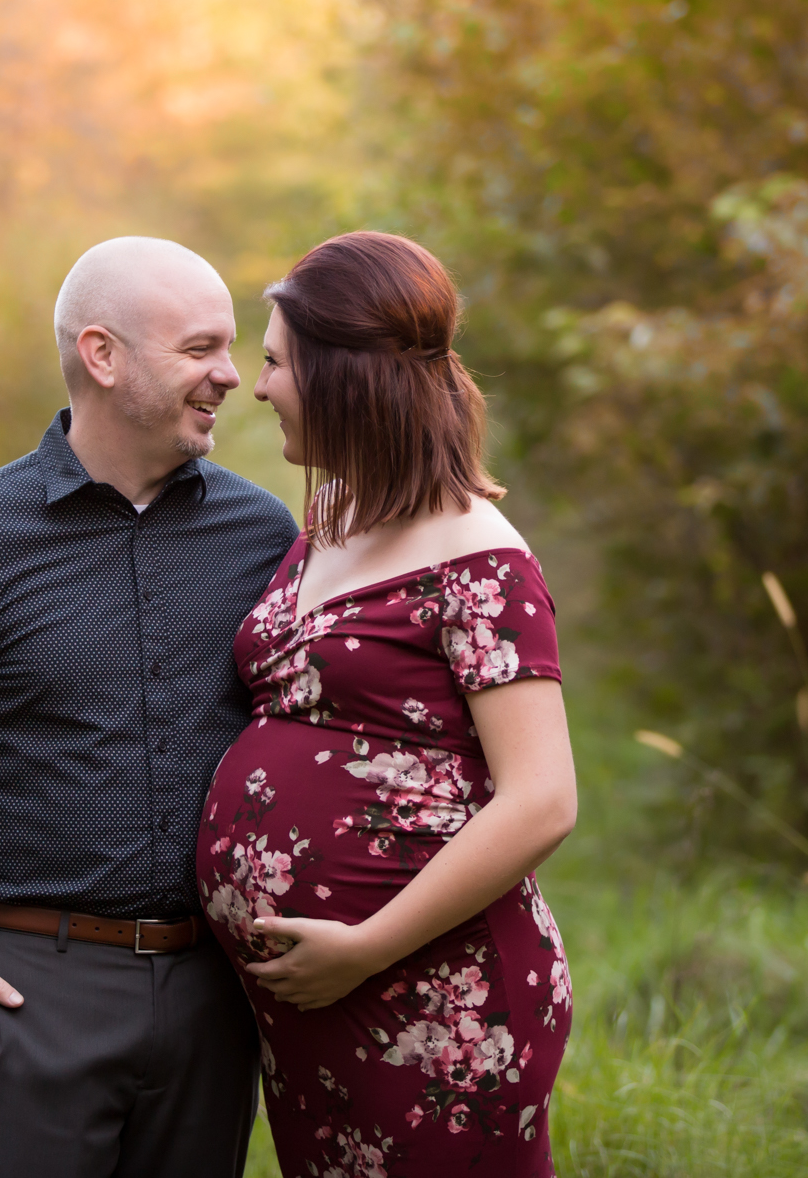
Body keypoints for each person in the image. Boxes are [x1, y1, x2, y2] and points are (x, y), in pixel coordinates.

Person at [0, 236, 299, 1178]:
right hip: (30, 992)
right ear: (103, 355)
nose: (231, 376)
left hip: (218, 994)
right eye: (201, 348)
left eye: (234, 349)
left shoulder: (263, 534)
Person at [197, 231, 578, 1176]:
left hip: (436, 999)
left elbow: (543, 799)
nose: (258, 385)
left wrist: (365, 948)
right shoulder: (331, 518)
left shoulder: (482, 559)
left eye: (278, 362)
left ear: (345, 378)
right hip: (319, 1007)